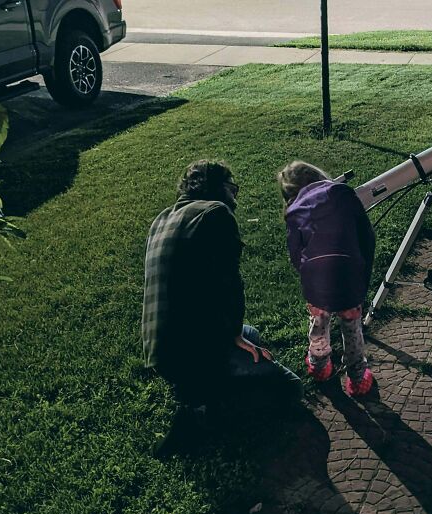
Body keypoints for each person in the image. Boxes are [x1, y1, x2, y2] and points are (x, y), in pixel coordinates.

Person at [142, 159, 301, 452]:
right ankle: (208, 410)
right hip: (195, 351)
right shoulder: (216, 214)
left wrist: (236, 333)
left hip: (163, 352)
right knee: (290, 387)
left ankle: (198, 392)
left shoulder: (163, 218)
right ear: (218, 188)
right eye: (233, 187)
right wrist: (232, 335)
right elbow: (227, 283)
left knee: (251, 335)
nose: (236, 195)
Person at [278, 160, 376, 397]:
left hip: (317, 283)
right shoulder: (344, 195)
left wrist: (308, 280)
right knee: (352, 328)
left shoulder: (294, 211)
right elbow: (367, 237)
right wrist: (362, 277)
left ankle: (320, 366)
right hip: (350, 277)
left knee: (319, 325)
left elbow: (295, 253)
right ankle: (357, 378)